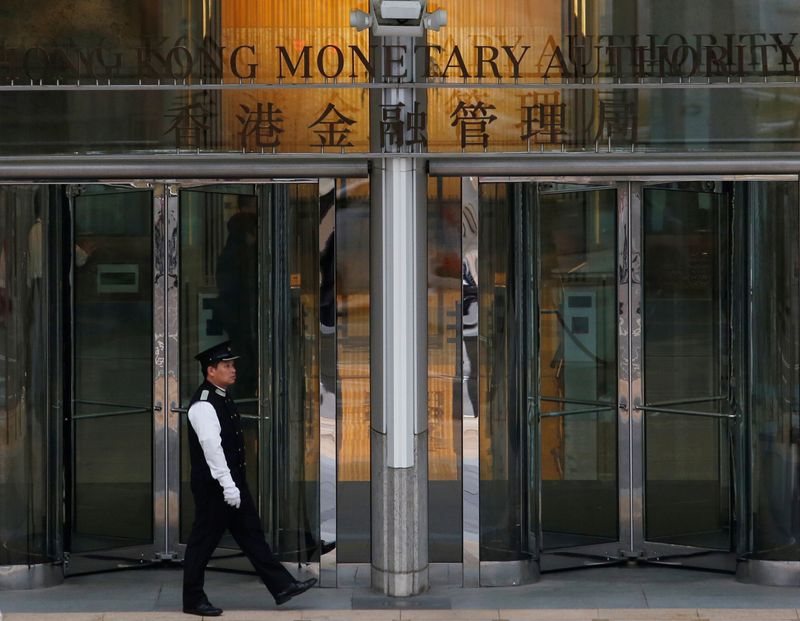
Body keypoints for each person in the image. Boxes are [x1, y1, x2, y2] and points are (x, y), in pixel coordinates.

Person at [183, 341, 316, 617]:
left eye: (233, 365)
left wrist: (235, 485)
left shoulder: (221, 395)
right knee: (202, 543)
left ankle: (282, 586)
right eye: (227, 366)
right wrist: (228, 485)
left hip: (231, 485)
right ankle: (193, 600)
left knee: (252, 536)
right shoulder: (204, 405)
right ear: (211, 370)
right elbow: (213, 450)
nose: (233, 370)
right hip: (216, 487)